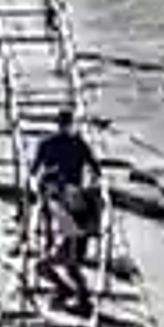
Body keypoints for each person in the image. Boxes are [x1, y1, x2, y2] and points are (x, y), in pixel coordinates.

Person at [30, 117, 104, 309]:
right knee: (66, 255)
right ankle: (74, 292)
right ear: (70, 124)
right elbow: (95, 168)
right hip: (74, 197)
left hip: (63, 204)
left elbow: (34, 169)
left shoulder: (46, 143)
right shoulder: (78, 143)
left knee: (56, 239)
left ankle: (73, 293)